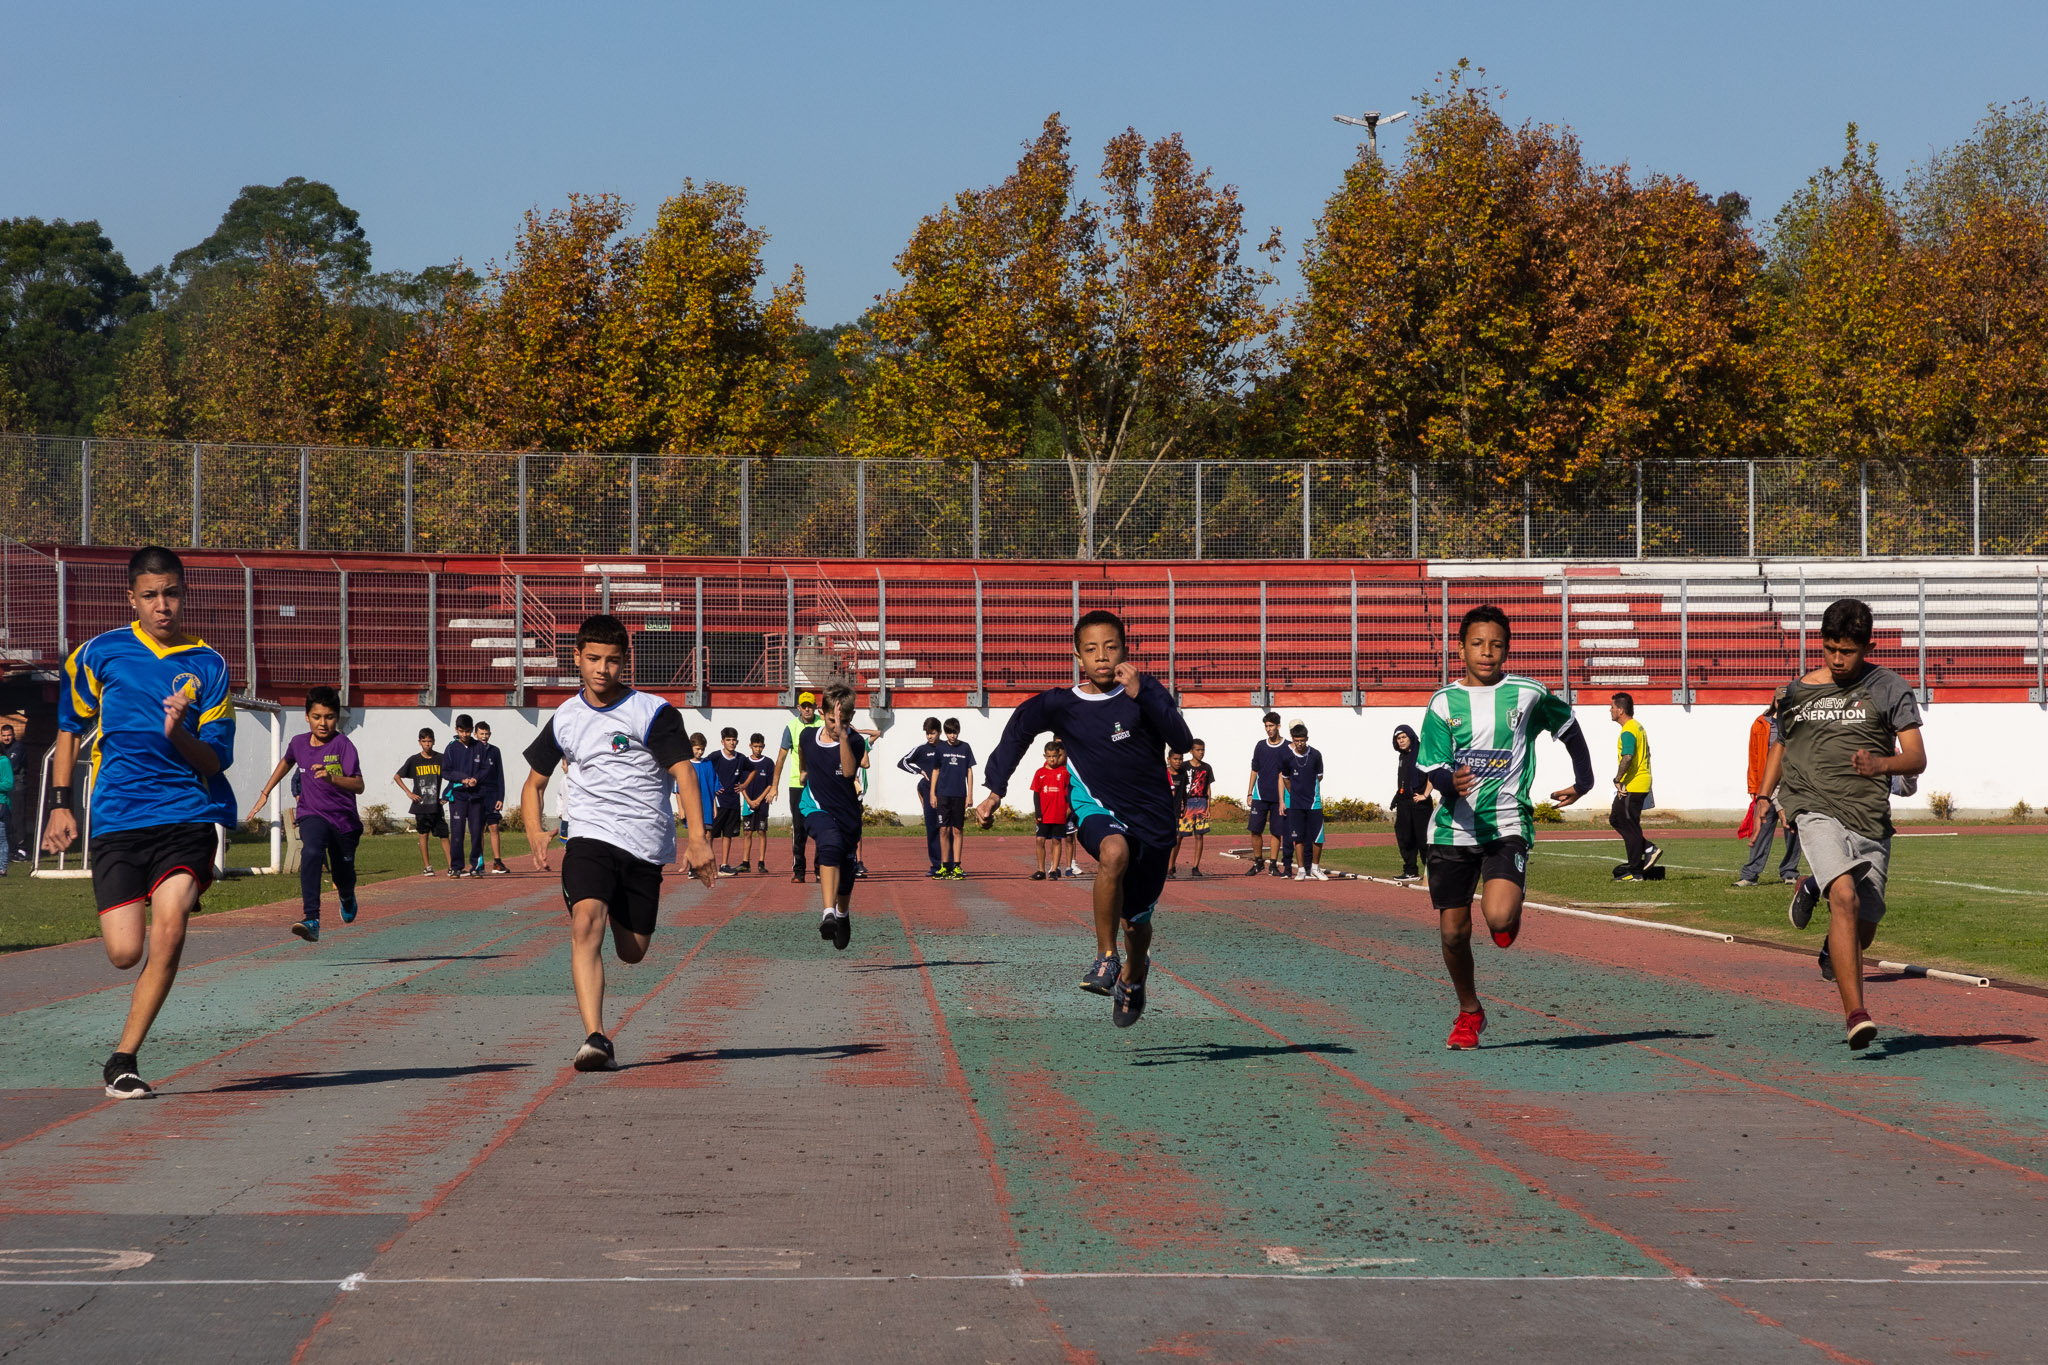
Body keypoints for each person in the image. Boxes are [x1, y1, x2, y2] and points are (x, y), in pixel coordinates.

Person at [42, 546, 237, 1099]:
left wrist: (178, 733)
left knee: (170, 925)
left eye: (171, 593)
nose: (162, 606)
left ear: (184, 594)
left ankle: (123, 1059)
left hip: (184, 814)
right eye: (150, 595)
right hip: (118, 818)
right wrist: (61, 802)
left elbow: (216, 760)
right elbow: (69, 728)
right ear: (131, 598)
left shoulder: (209, 665)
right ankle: (166, 886)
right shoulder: (98, 654)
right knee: (125, 953)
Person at [977, 609, 1193, 1029]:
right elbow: (1020, 727)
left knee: (1137, 923)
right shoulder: (1063, 704)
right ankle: (1106, 958)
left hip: (1153, 821)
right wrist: (995, 789)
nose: (1102, 657)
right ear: (1077, 656)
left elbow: (1182, 741)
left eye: (1111, 648)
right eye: (1091, 649)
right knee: (1112, 853)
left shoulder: (1144, 691)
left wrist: (1143, 693)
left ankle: (1133, 974)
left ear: (1125, 652)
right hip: (1099, 808)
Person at [522, 614, 716, 1071]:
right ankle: (595, 1038)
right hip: (588, 837)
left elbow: (684, 773)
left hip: (644, 846)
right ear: (577, 657)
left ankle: (615, 911)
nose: (601, 669)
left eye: (611, 660)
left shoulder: (654, 713)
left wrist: (699, 840)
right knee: (585, 921)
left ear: (625, 661)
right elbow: (534, 784)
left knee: (632, 951)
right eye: (592, 659)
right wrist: (534, 830)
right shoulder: (566, 717)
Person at [1419, 604, 1594, 1051]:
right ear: (1459, 650)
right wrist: (1448, 781)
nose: (1487, 652)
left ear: (1507, 650)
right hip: (1452, 831)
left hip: (1506, 823)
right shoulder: (1442, 703)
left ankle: (1508, 909)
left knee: (1496, 917)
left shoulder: (1529, 694)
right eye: (1477, 643)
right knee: (1454, 935)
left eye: (1496, 645)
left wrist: (1586, 781)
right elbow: (1431, 765)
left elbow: (1569, 728)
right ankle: (1470, 1012)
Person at [1757, 598, 1926, 1051]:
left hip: (1868, 817)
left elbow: (1917, 758)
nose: (1837, 659)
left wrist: (1880, 763)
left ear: (1867, 646)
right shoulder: (1793, 692)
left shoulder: (1889, 687)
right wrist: (1762, 796)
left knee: (1863, 928)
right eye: (1830, 648)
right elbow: (1780, 746)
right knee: (1846, 898)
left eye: (1847, 651)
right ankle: (1857, 1014)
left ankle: (1814, 890)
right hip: (1812, 807)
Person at [250, 686, 365, 941]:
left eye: (329, 717)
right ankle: (311, 918)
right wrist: (266, 792)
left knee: (343, 876)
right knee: (311, 851)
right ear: (306, 716)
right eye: (317, 717)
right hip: (312, 813)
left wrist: (333, 778)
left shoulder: (343, 745)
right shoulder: (298, 743)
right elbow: (286, 761)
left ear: (337, 717)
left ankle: (347, 895)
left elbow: (359, 785)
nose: (323, 723)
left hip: (344, 822)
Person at [799, 683, 867, 949]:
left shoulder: (855, 741)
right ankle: (828, 913)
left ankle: (842, 914)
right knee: (828, 844)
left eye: (845, 720)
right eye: (832, 719)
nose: (837, 723)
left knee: (847, 873)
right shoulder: (806, 737)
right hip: (816, 806)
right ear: (822, 712)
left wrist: (842, 736)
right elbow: (805, 761)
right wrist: (805, 775)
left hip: (847, 814)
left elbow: (849, 772)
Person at [1734, 705, 1802, 887]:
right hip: (1767, 786)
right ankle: (1750, 874)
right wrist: (1754, 787)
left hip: (1791, 786)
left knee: (1792, 829)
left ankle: (1790, 872)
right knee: (1761, 829)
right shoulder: (1761, 724)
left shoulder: (1799, 722)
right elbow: (1754, 756)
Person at [771, 691, 822, 883]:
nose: (807, 708)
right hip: (797, 786)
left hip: (819, 785)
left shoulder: (823, 725)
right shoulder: (791, 727)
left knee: (820, 827)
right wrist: (774, 786)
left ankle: (819, 870)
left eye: (810, 705)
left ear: (815, 706)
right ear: (799, 707)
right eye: (804, 705)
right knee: (799, 830)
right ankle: (799, 871)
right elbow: (781, 758)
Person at [1607, 693, 1659, 880]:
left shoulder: (1629, 729)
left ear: (1620, 710)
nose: (1610, 710)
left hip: (1633, 784)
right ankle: (1647, 848)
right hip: (1639, 782)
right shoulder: (1638, 727)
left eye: (1612, 707)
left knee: (1629, 825)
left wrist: (1619, 778)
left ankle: (1636, 872)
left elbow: (1627, 756)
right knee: (1617, 819)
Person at [393, 729, 453, 875]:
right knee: (423, 834)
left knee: (444, 835)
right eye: (424, 741)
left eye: (430, 741)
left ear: (434, 741)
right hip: (420, 806)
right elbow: (397, 776)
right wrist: (409, 793)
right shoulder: (414, 760)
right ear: (419, 742)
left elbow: (453, 775)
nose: (427, 744)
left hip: (435, 805)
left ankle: (452, 866)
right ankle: (427, 866)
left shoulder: (441, 758)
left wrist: (446, 795)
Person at [1245, 711, 1293, 877]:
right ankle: (1258, 862)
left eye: (1271, 726)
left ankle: (1273, 864)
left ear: (1278, 726)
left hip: (1279, 798)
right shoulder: (1260, 745)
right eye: (1266, 726)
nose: (1268, 729)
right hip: (1260, 795)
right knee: (1255, 830)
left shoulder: (1287, 747)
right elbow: (1254, 769)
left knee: (1276, 831)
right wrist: (1249, 792)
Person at [896, 716, 944, 877]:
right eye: (927, 733)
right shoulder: (921, 750)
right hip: (928, 791)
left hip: (946, 792)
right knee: (932, 828)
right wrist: (919, 771)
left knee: (949, 828)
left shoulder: (947, 747)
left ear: (940, 732)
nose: (930, 736)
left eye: (933, 733)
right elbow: (902, 762)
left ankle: (952, 864)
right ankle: (937, 865)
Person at [443, 714, 488, 879]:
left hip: (476, 797)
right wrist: (462, 779)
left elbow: (485, 769)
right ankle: (456, 867)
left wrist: (476, 779)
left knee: (476, 832)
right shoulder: (451, 748)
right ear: (456, 730)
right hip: (458, 796)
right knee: (457, 832)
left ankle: (476, 866)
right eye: (462, 731)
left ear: (472, 730)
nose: (465, 735)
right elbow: (446, 771)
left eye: (468, 731)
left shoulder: (479, 747)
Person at [930, 716, 975, 879]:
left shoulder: (965, 748)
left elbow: (969, 771)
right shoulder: (940, 748)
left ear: (958, 732)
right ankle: (944, 866)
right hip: (943, 795)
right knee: (943, 830)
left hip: (959, 795)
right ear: (946, 733)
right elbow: (935, 770)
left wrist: (970, 794)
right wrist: (932, 794)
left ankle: (957, 865)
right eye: (949, 733)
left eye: (955, 732)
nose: (952, 736)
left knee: (957, 830)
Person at [1283, 723, 1328, 881]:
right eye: (1297, 740)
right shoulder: (1287, 757)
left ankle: (1315, 867)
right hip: (1296, 803)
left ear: (1307, 739)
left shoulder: (1315, 755)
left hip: (1313, 803)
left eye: (1302, 740)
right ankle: (1301, 869)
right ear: (1292, 740)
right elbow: (1286, 779)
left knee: (1318, 837)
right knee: (1298, 837)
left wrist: (1310, 789)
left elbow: (1319, 776)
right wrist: (1294, 792)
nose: (1300, 743)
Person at [1390, 724, 1432, 880]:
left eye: (1403, 737)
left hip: (1419, 803)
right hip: (1404, 802)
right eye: (1398, 738)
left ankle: (1431, 872)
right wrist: (1397, 797)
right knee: (1404, 836)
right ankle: (1410, 870)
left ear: (1410, 737)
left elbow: (1432, 774)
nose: (1401, 741)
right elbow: (1403, 780)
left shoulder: (1422, 752)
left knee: (1423, 839)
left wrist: (1425, 795)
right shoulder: (1403, 756)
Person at [709, 726, 748, 875]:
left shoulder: (741, 758)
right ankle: (708, 864)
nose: (731, 743)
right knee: (710, 834)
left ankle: (724, 865)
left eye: (733, 740)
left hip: (733, 802)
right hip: (718, 803)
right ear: (722, 741)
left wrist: (744, 784)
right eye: (728, 740)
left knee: (728, 834)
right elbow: (703, 770)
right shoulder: (715, 757)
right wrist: (713, 787)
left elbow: (753, 770)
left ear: (737, 741)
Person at [1029, 740, 1071, 880]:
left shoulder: (1064, 772)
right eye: (1049, 756)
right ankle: (1041, 870)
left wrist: (1068, 809)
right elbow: (1036, 794)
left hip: (1059, 814)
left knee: (1056, 841)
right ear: (1044, 756)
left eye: (1054, 756)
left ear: (1059, 755)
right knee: (1040, 840)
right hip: (1044, 815)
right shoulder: (1039, 773)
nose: (1052, 759)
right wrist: (1038, 813)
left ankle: (1053, 870)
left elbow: (1069, 793)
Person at [473, 721, 510, 874]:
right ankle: (479, 863)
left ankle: (497, 862)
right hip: (476, 794)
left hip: (492, 795)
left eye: (486, 734)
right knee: (478, 829)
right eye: (481, 733)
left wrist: (500, 797)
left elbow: (500, 775)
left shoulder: (495, 751)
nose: (484, 736)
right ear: (475, 734)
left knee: (494, 827)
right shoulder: (471, 751)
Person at [1177, 739, 1215, 877]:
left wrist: (1208, 807)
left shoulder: (1207, 768)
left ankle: (1195, 866)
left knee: (1199, 835)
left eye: (1203, 750)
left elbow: (1208, 788)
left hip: (1201, 803)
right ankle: (1171, 865)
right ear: (1191, 751)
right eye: (1198, 750)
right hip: (1187, 803)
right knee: (1179, 835)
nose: (1201, 753)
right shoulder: (1184, 766)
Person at [740, 732, 775, 873]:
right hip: (748, 804)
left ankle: (761, 862)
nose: (758, 749)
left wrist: (759, 800)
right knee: (747, 832)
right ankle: (745, 862)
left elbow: (770, 784)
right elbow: (741, 784)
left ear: (764, 746)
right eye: (755, 746)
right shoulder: (744, 763)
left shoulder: (768, 763)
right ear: (750, 746)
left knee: (761, 831)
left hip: (762, 804)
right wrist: (749, 800)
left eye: (760, 747)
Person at [1165, 750, 1186, 877]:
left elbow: (1183, 792)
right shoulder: (1163, 773)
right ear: (1169, 759)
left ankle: (1171, 866)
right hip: (1163, 810)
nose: (1178, 762)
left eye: (1180, 759)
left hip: (1177, 811)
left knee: (1177, 838)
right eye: (1175, 759)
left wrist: (1186, 805)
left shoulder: (1183, 774)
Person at [0, 724, 13, 875]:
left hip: (1, 803)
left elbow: (8, 783)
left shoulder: (3, 761)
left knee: (1, 837)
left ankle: (2, 867)